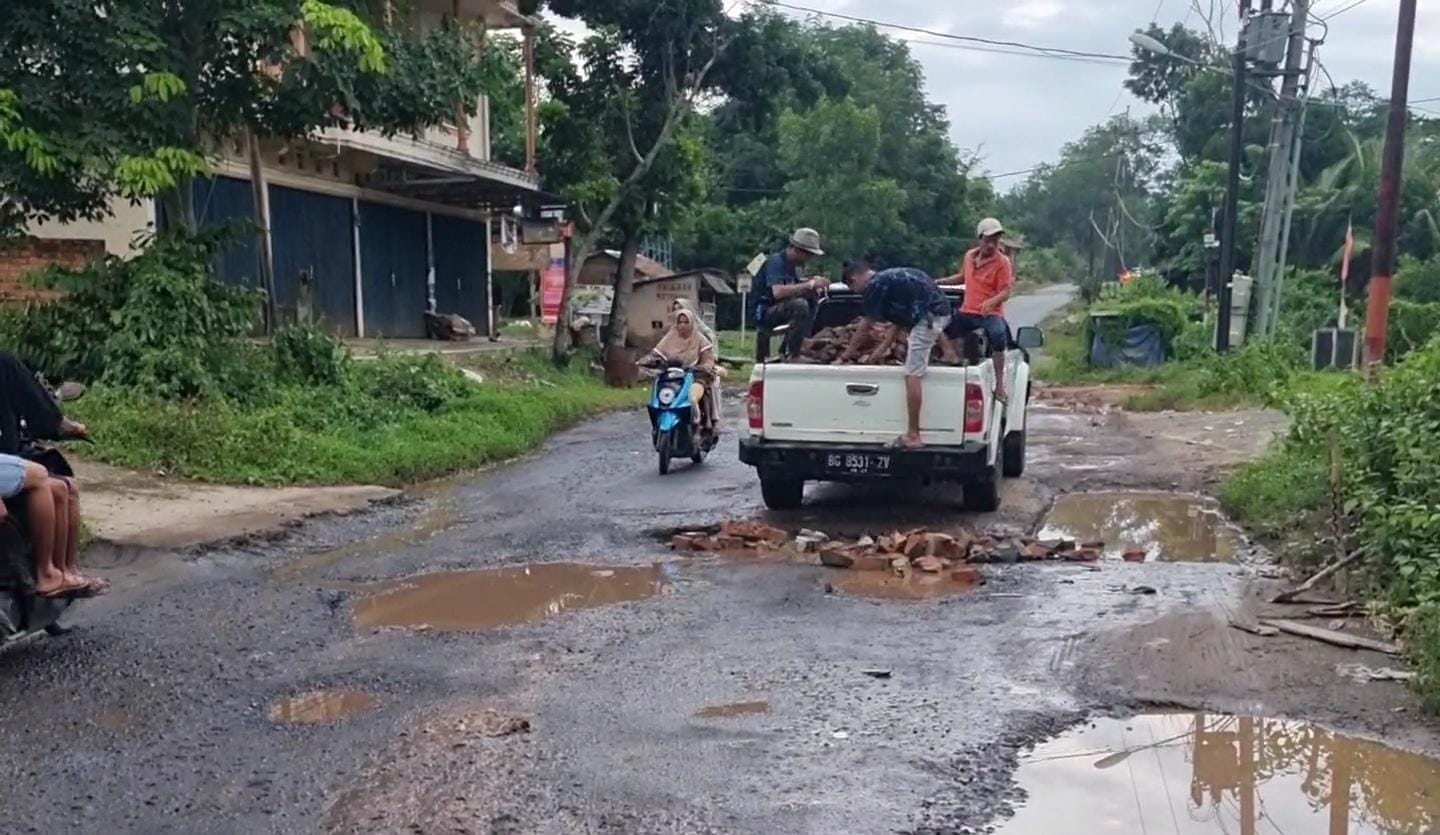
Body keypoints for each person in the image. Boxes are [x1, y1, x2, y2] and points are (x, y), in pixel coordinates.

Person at [0, 351, 103, 596]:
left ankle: (66, 571)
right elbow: (36, 409)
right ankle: (48, 572)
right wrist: (58, 425)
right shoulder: (5, 363)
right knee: (45, 480)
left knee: (64, 487)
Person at [839, 261, 959, 450]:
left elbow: (865, 325)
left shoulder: (875, 286)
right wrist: (881, 349)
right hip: (937, 312)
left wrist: (846, 354)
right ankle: (950, 353)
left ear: (854, 278)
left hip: (929, 316)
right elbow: (900, 320)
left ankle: (913, 435)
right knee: (924, 340)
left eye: (851, 287)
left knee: (912, 373)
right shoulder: (890, 278)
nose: (855, 291)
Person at [939, 217, 1015, 403]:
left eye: (995, 241)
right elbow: (963, 277)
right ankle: (955, 362)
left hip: (990, 313)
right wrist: (941, 282)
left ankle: (999, 386)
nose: (992, 245)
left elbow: (1005, 292)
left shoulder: (1003, 262)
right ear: (979, 239)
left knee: (998, 337)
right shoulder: (969, 256)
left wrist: (992, 302)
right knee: (945, 329)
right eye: (988, 240)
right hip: (969, 310)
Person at [751, 228, 830, 360]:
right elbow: (778, 292)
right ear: (797, 250)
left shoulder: (793, 266)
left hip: (779, 308)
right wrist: (810, 284)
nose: (809, 259)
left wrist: (812, 287)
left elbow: (795, 287)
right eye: (808, 254)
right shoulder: (776, 262)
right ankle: (794, 353)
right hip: (764, 311)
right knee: (800, 305)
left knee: (810, 297)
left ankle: (800, 343)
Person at [644, 307, 724, 435]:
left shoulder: (700, 339)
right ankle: (657, 426)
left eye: (686, 322)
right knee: (658, 395)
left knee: (694, 397)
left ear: (692, 323)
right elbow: (656, 353)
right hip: (673, 375)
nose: (682, 325)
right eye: (680, 322)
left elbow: (708, 359)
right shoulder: (670, 337)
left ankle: (701, 425)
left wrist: (703, 367)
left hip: (695, 375)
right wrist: (646, 360)